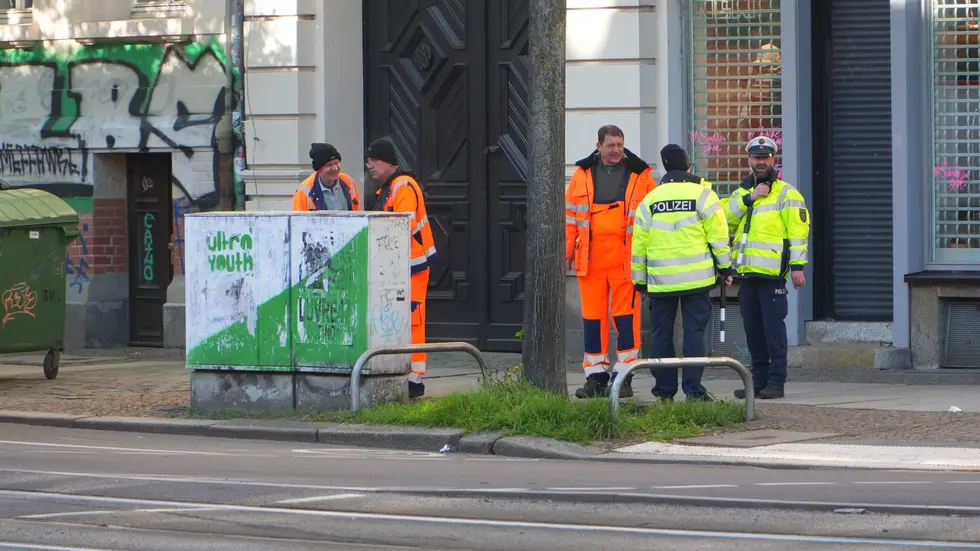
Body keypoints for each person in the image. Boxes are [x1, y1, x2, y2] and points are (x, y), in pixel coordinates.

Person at [631, 144, 734, 402]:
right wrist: (725, 267)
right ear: (688, 166)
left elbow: (638, 244)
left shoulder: (650, 199)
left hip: (660, 281)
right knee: (694, 333)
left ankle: (664, 391)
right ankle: (693, 391)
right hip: (696, 279)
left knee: (661, 335)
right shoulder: (703, 195)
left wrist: (639, 281)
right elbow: (719, 237)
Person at [566, 125, 657, 399]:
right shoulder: (581, 175)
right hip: (590, 259)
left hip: (625, 260)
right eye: (611, 145)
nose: (616, 150)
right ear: (599, 146)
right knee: (592, 320)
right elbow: (570, 219)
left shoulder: (641, 175)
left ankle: (624, 376)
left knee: (626, 320)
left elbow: (653, 219)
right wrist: (567, 252)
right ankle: (595, 377)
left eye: (620, 144)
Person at [725, 136, 810, 400]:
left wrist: (797, 267)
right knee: (752, 331)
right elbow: (724, 221)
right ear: (749, 160)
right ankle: (758, 382)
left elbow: (798, 233)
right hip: (747, 275)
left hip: (773, 276)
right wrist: (750, 198)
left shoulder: (787, 193)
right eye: (756, 157)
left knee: (773, 331)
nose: (761, 162)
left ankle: (777, 382)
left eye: (765, 157)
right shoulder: (741, 193)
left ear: (773, 160)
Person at [365, 138, 437, 398]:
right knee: (405, 320)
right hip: (400, 267)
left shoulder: (402, 186)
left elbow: (400, 226)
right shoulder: (389, 188)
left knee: (413, 321)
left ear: (387, 162)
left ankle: (415, 379)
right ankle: (407, 374)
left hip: (412, 264)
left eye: (373, 160)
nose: (369, 166)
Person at [292, 143, 361, 211]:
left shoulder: (349, 182)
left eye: (336, 163)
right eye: (329, 165)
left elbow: (356, 212)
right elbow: (299, 220)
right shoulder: (304, 192)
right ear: (319, 168)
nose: (335, 168)